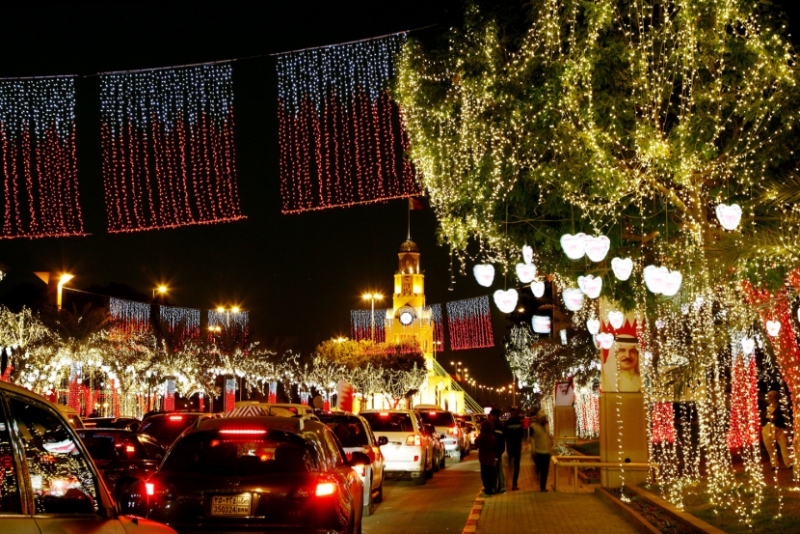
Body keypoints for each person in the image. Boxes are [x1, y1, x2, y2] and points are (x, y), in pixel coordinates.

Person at [762, 390, 792, 469]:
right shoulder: (765, 406)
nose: (770, 398)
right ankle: (774, 465)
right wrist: (766, 418)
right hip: (767, 429)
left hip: (779, 428)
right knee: (770, 448)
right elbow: (762, 415)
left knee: (784, 446)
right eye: (769, 396)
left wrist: (777, 418)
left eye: (772, 396)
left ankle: (789, 463)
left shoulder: (781, 406)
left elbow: (786, 417)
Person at [476, 412, 497, 496]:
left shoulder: (482, 436)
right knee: (491, 474)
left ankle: (488, 490)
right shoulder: (492, 436)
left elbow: (476, 442)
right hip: (491, 458)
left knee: (485, 475)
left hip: (484, 459)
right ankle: (491, 489)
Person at [531, 411, 553, 492]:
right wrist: (533, 451)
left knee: (545, 471)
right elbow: (533, 440)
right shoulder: (535, 428)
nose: (545, 420)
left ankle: (543, 487)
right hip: (539, 452)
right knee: (540, 469)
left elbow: (548, 437)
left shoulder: (547, 427)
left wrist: (551, 444)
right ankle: (540, 482)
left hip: (546, 452)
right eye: (543, 418)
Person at [504, 407, 524, 490]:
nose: (513, 414)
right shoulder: (508, 423)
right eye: (512, 413)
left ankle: (514, 484)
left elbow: (522, 434)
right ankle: (509, 482)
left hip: (516, 447)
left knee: (516, 466)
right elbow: (505, 435)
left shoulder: (518, 422)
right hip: (511, 447)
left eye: (515, 413)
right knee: (511, 465)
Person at [491, 409, 506, 494]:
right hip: (498, 450)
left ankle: (501, 487)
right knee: (497, 469)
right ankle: (500, 486)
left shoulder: (496, 425)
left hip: (496, 450)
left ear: (495, 416)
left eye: (491, 415)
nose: (490, 417)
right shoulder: (498, 425)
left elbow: (497, 439)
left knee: (498, 469)